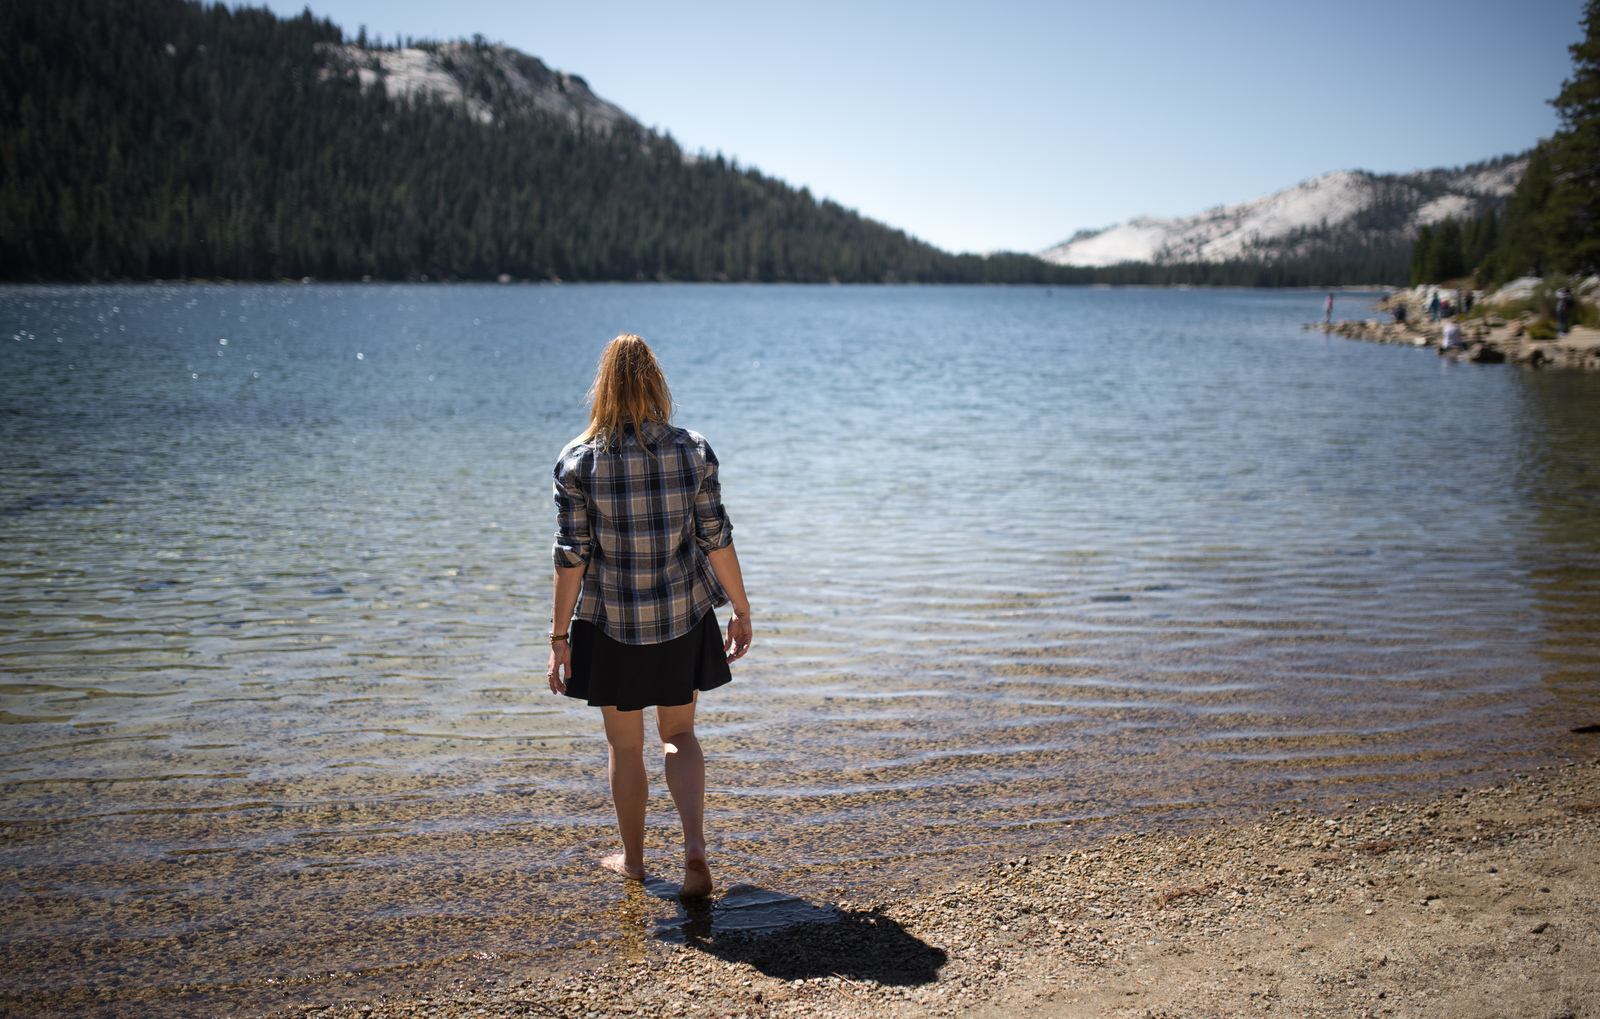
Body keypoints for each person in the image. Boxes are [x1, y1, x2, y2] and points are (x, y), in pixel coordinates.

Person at [546, 333, 753, 900]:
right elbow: (716, 537)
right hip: (682, 618)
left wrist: (558, 637)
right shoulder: (694, 450)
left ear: (602, 387)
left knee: (624, 744)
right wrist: (740, 606)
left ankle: (634, 861)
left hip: (611, 625)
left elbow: (571, 557)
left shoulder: (577, 461)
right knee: (680, 734)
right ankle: (694, 850)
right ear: (657, 383)